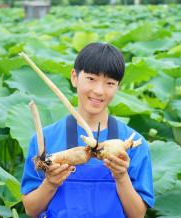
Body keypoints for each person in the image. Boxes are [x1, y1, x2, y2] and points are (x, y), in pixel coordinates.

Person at [21, 42, 155, 218]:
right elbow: (31, 210)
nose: (99, 91)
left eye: (110, 83)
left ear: (118, 86)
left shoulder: (133, 142)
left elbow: (137, 215)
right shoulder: (44, 138)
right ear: (74, 77)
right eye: (91, 79)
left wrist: (121, 176)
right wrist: (50, 183)